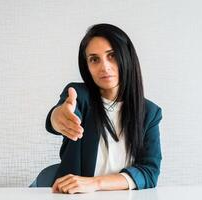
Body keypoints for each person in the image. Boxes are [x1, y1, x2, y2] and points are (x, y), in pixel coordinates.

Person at [30, 23, 162, 194]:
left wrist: (96, 183)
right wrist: (58, 117)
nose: (104, 67)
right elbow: (61, 115)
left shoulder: (149, 113)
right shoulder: (79, 95)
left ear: (127, 57)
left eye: (112, 55)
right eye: (94, 59)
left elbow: (149, 172)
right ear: (87, 66)